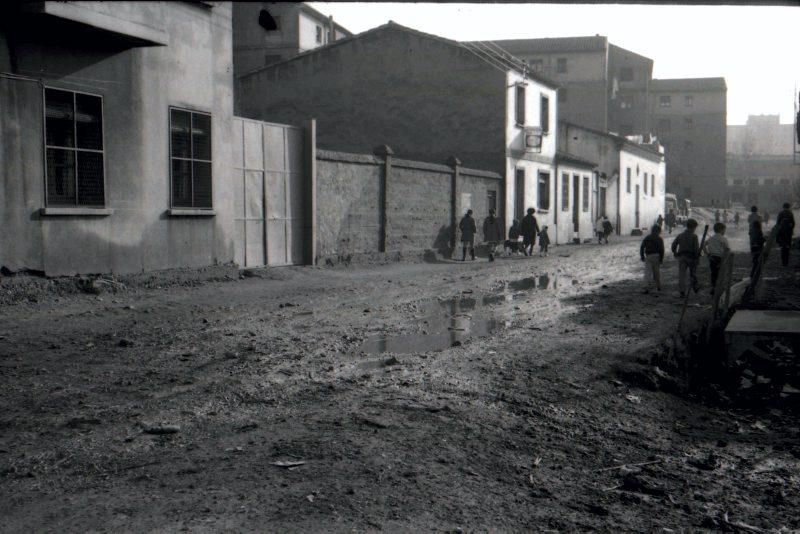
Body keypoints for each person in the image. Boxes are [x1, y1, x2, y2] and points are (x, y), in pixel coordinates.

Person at [671, 218, 701, 297]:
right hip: (691, 258)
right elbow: (696, 249)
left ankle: (682, 291)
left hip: (682, 257)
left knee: (682, 275)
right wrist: (697, 257)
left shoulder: (680, 235)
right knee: (693, 274)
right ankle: (695, 287)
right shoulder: (694, 236)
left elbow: (673, 245)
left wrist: (675, 253)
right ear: (693, 227)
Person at [703, 222, 730, 294]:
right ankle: (720, 288)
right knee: (721, 273)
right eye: (724, 230)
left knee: (713, 273)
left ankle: (713, 287)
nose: (724, 231)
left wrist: (707, 254)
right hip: (721, 258)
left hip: (712, 258)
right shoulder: (723, 239)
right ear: (721, 230)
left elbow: (703, 245)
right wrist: (726, 258)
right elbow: (727, 249)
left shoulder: (711, 238)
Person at [640, 225, 665, 294]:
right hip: (656, 256)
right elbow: (662, 250)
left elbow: (642, 247)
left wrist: (642, 256)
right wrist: (661, 259)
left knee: (647, 272)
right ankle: (658, 286)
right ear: (658, 231)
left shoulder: (647, 237)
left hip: (648, 256)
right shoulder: (659, 239)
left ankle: (646, 287)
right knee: (656, 272)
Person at [776, 202, 796, 267]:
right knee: (787, 247)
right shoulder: (790, 214)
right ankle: (786, 262)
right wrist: (790, 229)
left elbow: (778, 223)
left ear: (783, 207)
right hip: (788, 233)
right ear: (789, 207)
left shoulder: (781, 213)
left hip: (782, 233)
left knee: (782, 247)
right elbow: (793, 223)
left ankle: (783, 262)